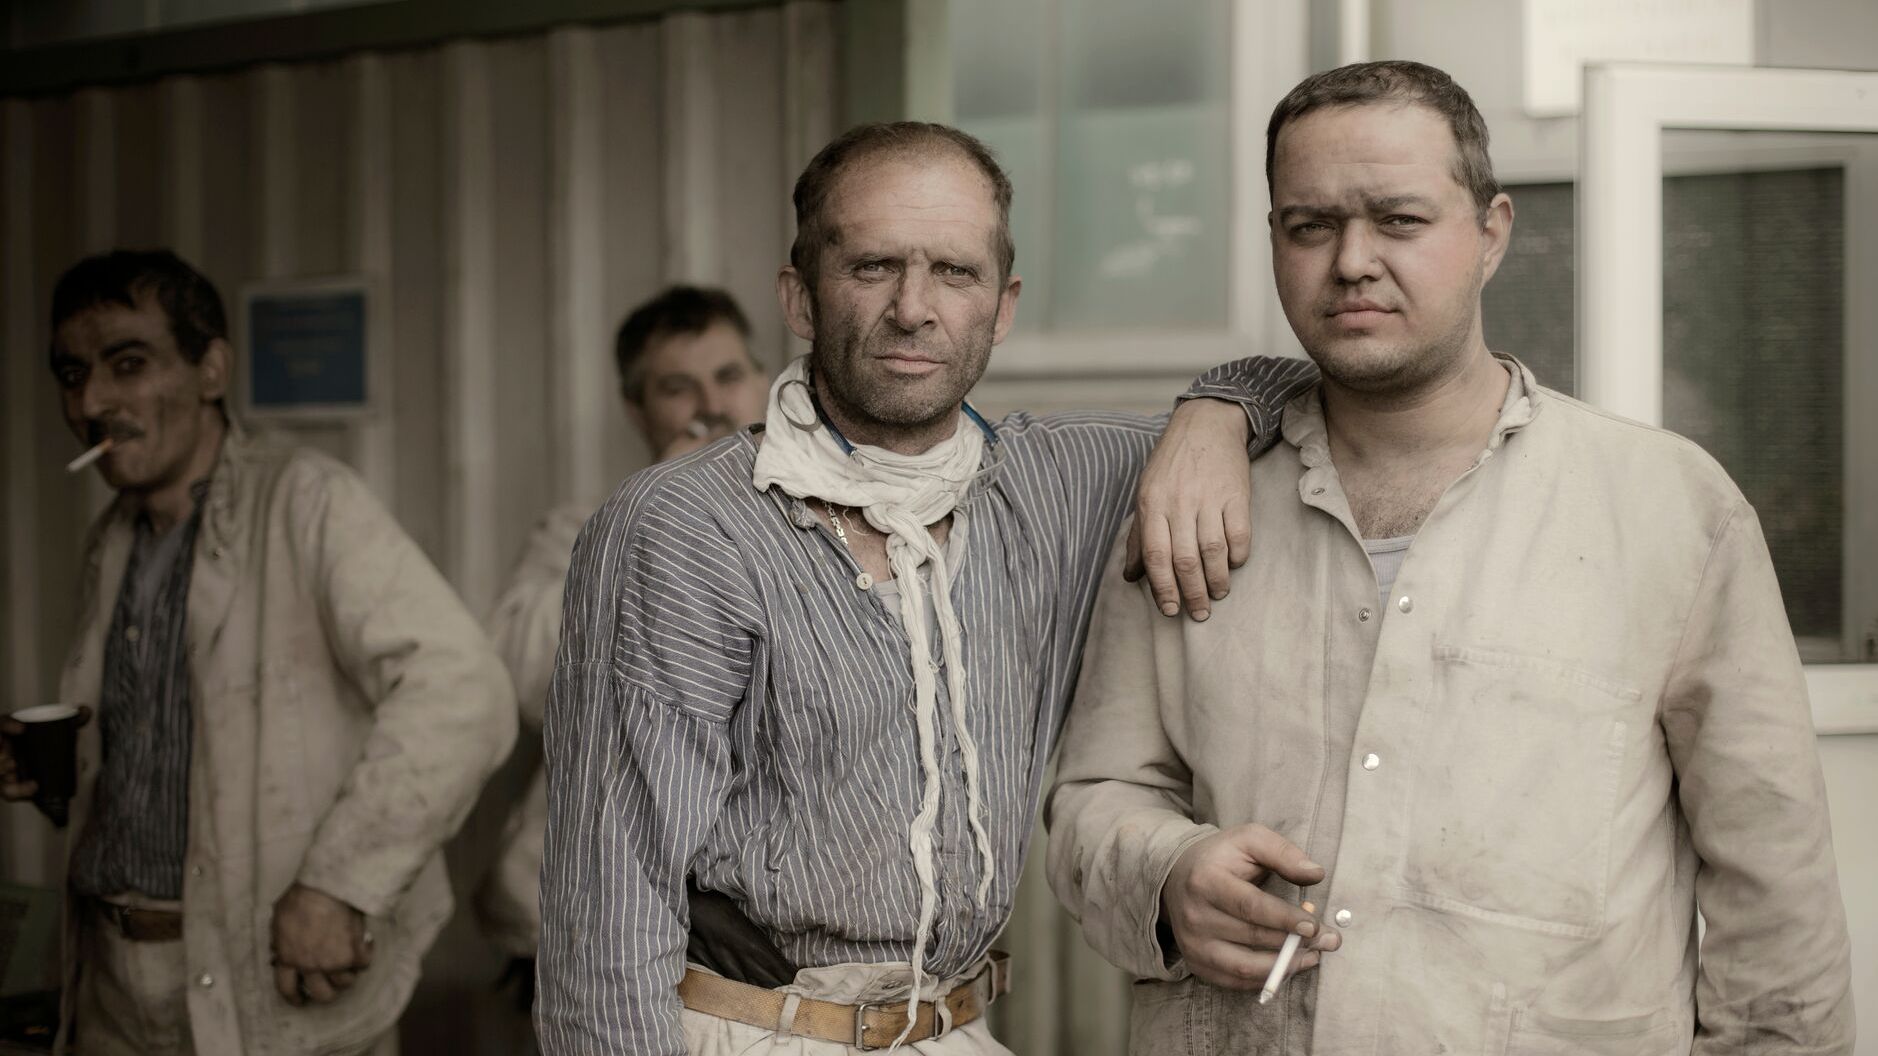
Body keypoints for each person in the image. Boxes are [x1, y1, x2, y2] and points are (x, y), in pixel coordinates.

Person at [1047, 60, 1854, 1054]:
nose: (1352, 261)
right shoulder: (1190, 508)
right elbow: (1095, 797)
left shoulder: (1671, 513)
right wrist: (1165, 872)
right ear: (1273, 243)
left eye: (1399, 220)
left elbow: (1774, 893)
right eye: (1311, 226)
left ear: (1492, 233)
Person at [534, 121, 1317, 1056]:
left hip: (958, 1030)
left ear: (1004, 303)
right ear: (799, 296)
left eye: (955, 271)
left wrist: (1212, 414)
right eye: (872, 267)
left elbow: (1308, 387)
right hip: (745, 1033)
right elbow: (605, 917)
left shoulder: (1056, 484)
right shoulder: (682, 527)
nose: (915, 307)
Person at [4, 249, 517, 1056]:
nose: (92, 401)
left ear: (212, 369)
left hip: (261, 988)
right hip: (108, 979)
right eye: (72, 375)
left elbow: (464, 691)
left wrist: (340, 886)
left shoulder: (306, 500)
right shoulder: (112, 539)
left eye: (127, 364)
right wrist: (63, 764)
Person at [474, 285, 772, 1007]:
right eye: (679, 387)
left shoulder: (823, 532)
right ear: (638, 410)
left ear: (763, 383)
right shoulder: (581, 530)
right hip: (605, 923)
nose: (712, 403)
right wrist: (651, 516)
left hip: (767, 935)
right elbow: (521, 680)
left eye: (730, 376)